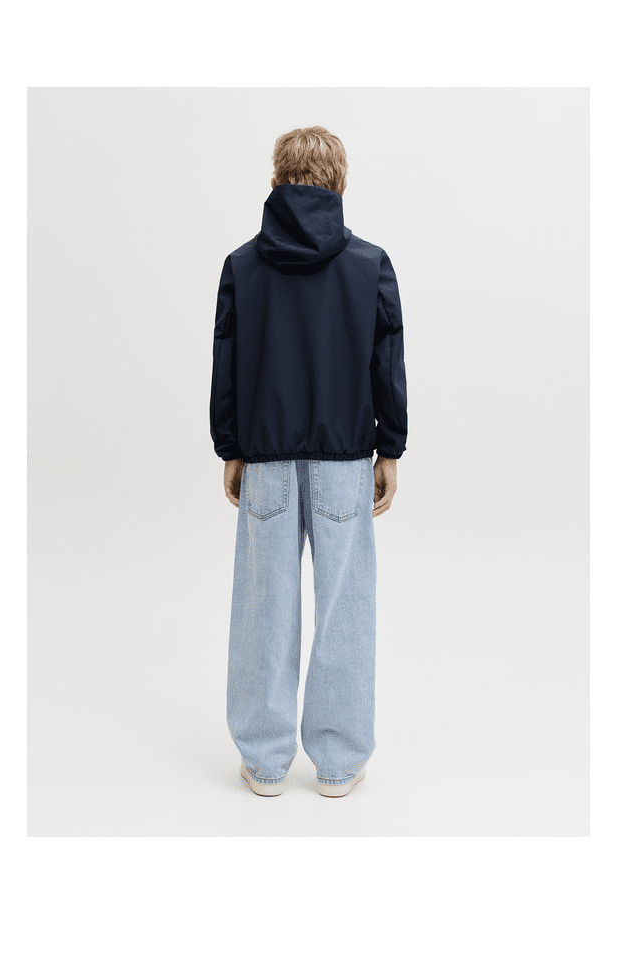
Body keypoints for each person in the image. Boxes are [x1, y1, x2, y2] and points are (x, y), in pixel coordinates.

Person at [209, 126, 408, 798]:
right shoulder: (370, 265)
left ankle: (265, 762)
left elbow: (227, 365)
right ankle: (339, 762)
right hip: (345, 459)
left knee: (263, 611)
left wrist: (231, 446)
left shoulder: (243, 266)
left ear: (276, 179)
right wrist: (390, 447)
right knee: (344, 610)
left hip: (266, 457)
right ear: (340, 182)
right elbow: (387, 362)